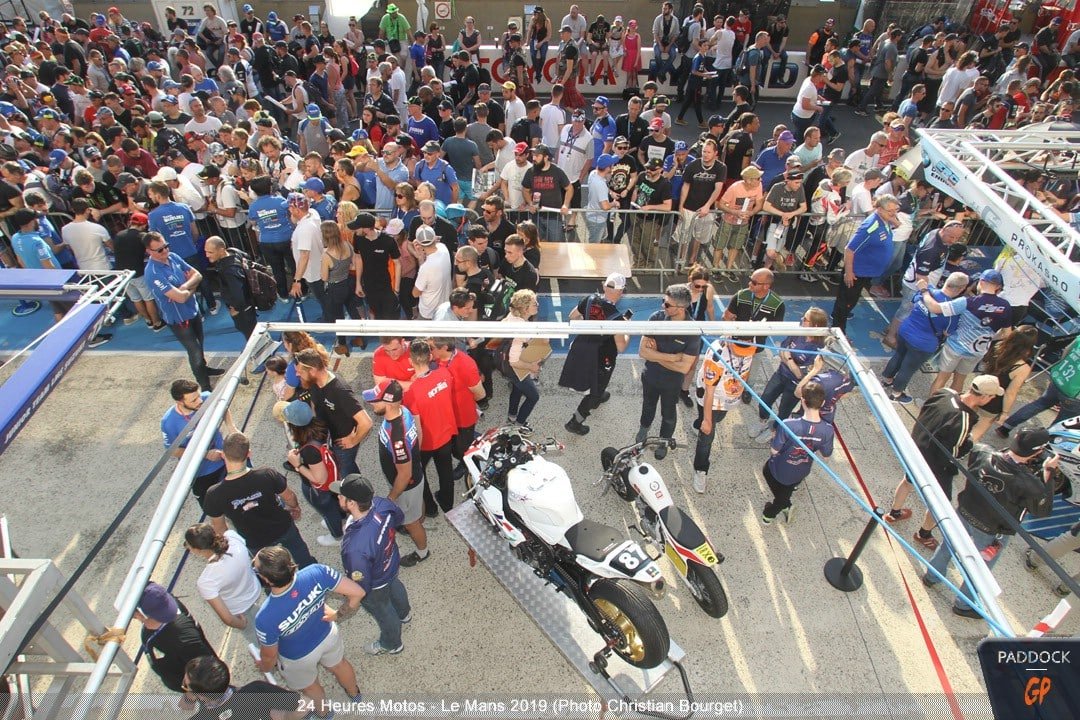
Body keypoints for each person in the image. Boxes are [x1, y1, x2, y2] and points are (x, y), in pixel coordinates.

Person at [923, 426, 1057, 617]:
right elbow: (1042, 510)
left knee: (948, 544)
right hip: (992, 529)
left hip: (965, 510)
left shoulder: (982, 451)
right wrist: (1049, 474)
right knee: (980, 566)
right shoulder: (1029, 484)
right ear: (1038, 451)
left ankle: (931, 576)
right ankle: (964, 604)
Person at [882, 375, 1002, 550]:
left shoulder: (945, 393)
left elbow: (925, 411)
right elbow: (955, 452)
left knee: (908, 481)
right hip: (935, 464)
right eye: (992, 396)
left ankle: (894, 513)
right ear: (984, 397)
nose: (992, 399)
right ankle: (923, 534)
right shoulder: (964, 419)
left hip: (916, 448)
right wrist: (970, 442)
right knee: (940, 503)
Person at [253, 547, 364, 714]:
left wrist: (265, 667)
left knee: (310, 687)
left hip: (297, 657)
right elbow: (358, 593)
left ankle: (324, 713)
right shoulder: (317, 572)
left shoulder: (265, 617)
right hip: (327, 634)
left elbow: (269, 656)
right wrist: (337, 615)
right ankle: (354, 694)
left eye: (255, 568)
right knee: (339, 665)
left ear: (266, 579)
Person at [204, 431, 316, 567]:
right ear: (249, 453)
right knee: (300, 551)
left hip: (254, 541)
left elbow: (220, 528)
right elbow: (289, 496)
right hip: (283, 527)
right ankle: (310, 569)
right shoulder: (267, 474)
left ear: (223, 455)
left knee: (267, 569)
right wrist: (295, 507)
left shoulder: (214, 494)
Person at [334, 475, 412, 655]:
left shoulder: (355, 548)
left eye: (341, 495)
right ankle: (405, 614)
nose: (338, 496)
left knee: (383, 611)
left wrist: (348, 603)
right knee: (395, 586)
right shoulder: (381, 504)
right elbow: (399, 517)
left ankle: (392, 644)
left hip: (375, 582)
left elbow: (360, 585)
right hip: (391, 563)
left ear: (352, 503)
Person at [143, 233, 223, 392]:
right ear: (149, 251)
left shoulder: (173, 257)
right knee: (194, 351)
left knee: (200, 344)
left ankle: (204, 369)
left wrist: (185, 287)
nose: (165, 251)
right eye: (160, 250)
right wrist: (191, 287)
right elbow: (180, 298)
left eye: (166, 246)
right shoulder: (153, 273)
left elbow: (197, 275)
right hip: (178, 319)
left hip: (193, 310)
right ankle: (204, 385)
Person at [364, 379, 429, 566]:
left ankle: (422, 551)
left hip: (407, 486)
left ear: (389, 403)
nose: (371, 403)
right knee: (417, 505)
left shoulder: (396, 437)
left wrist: (391, 498)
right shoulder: (403, 411)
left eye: (375, 400)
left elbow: (404, 475)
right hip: (415, 477)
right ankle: (419, 516)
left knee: (411, 523)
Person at [920, 268, 1012, 395]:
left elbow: (935, 308)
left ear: (981, 282)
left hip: (955, 346)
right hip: (977, 351)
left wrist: (924, 291)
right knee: (959, 380)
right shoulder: (1005, 306)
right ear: (998, 287)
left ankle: (931, 404)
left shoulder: (968, 302)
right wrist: (990, 337)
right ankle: (952, 404)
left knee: (941, 379)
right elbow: (1007, 334)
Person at [881, 272, 968, 405]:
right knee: (908, 368)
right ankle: (896, 394)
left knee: (898, 355)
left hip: (905, 330)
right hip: (923, 343)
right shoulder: (951, 311)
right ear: (961, 289)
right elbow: (948, 332)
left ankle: (886, 379)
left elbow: (913, 302)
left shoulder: (928, 291)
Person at [560, 273, 631, 435]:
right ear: (621, 292)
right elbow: (621, 346)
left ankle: (600, 394)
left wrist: (590, 326)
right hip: (603, 357)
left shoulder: (589, 299)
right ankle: (575, 421)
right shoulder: (617, 318)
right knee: (596, 389)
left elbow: (572, 317)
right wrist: (627, 329)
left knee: (596, 382)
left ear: (604, 286)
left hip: (583, 348)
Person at [637, 285, 701, 458]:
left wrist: (655, 355)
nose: (662, 306)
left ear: (681, 308)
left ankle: (664, 441)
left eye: (667, 304)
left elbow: (684, 367)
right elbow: (642, 352)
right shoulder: (656, 318)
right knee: (648, 405)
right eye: (663, 301)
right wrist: (672, 358)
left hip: (672, 383)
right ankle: (644, 429)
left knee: (668, 413)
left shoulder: (692, 331)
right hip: (650, 376)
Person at [762, 380, 835, 524]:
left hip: (780, 467)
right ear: (822, 403)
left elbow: (774, 450)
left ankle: (770, 514)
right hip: (802, 470)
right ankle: (783, 504)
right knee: (787, 489)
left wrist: (775, 437)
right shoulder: (828, 430)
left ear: (802, 401)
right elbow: (826, 457)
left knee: (772, 479)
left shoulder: (788, 424)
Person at [294, 347, 373, 477]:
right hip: (329, 435)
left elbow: (366, 423)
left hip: (342, 442)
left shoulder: (339, 390)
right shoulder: (313, 381)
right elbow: (314, 402)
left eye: (299, 372)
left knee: (346, 471)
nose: (297, 375)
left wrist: (353, 441)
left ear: (312, 370)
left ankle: (356, 487)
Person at [402, 339, 459, 515]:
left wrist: (415, 452)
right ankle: (447, 503)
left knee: (420, 473)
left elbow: (417, 427)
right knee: (446, 470)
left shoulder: (411, 393)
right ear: (430, 357)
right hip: (446, 434)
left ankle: (431, 508)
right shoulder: (445, 374)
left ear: (410, 361)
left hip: (427, 441)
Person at [161, 379, 236, 510]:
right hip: (201, 472)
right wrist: (205, 454)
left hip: (226, 460)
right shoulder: (169, 422)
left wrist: (232, 427)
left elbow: (223, 406)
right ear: (180, 402)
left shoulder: (206, 397)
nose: (200, 401)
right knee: (212, 506)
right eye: (194, 400)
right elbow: (173, 451)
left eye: (199, 396)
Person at [184, 523, 263, 645]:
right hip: (255, 589)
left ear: (197, 550)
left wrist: (242, 624)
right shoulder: (232, 537)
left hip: (241, 610)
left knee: (261, 643)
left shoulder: (206, 581)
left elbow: (228, 619)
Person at [754, 307, 829, 434]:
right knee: (764, 400)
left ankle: (775, 429)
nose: (801, 319)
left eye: (805, 319)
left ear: (815, 325)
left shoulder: (818, 349)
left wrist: (788, 359)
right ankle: (763, 420)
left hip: (794, 384)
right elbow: (782, 350)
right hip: (781, 374)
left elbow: (800, 375)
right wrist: (792, 363)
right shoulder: (798, 333)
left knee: (784, 411)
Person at [831, 195, 900, 332]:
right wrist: (849, 272)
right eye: (890, 211)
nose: (894, 213)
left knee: (851, 299)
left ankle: (839, 314)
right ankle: (838, 330)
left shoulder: (885, 220)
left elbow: (897, 224)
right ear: (879, 209)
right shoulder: (870, 226)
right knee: (847, 301)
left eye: (895, 210)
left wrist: (892, 217)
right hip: (857, 273)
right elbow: (849, 249)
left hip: (867, 272)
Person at [282, 399, 345, 547]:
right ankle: (340, 517)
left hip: (319, 488)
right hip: (333, 477)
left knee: (327, 510)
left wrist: (297, 465)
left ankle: (337, 536)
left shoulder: (310, 449)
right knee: (334, 503)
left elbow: (320, 479)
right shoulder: (320, 425)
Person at [135, 582, 217, 694]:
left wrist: (192, 691)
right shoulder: (167, 602)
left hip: (197, 684)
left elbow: (208, 671)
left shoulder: (185, 638)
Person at [725, 268, 786, 409]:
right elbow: (727, 316)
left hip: (757, 346)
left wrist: (758, 330)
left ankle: (747, 390)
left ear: (766, 286)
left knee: (753, 370)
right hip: (735, 342)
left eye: (754, 282)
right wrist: (731, 325)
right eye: (750, 280)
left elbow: (775, 328)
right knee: (731, 365)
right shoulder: (741, 295)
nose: (749, 284)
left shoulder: (777, 304)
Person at [181, 655, 305, 720]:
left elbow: (184, 707)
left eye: (186, 685)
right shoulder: (257, 690)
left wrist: (189, 697)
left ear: (201, 696)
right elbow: (301, 705)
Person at [969, 326, 1038, 442]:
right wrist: (1005, 413)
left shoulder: (998, 347)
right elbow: (1010, 392)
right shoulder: (1022, 367)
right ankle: (962, 449)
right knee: (979, 429)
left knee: (965, 418)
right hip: (994, 400)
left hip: (980, 387)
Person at [503, 289, 545, 434]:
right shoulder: (521, 329)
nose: (537, 305)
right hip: (515, 367)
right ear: (525, 309)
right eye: (534, 303)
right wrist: (531, 366)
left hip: (507, 365)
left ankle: (511, 417)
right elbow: (514, 361)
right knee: (533, 397)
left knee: (517, 389)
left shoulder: (512, 317)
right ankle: (519, 425)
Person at [203, 236, 257, 341]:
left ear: (221, 250)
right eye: (206, 251)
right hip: (249, 305)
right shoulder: (234, 252)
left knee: (251, 337)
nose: (207, 255)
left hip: (243, 311)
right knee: (253, 333)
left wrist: (236, 310)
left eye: (210, 252)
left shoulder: (229, 271)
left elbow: (238, 296)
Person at [410, 225, 453, 319]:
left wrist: (420, 257)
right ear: (434, 238)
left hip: (428, 314)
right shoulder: (443, 248)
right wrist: (421, 257)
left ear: (418, 243)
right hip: (445, 309)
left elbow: (415, 293)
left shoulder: (425, 268)